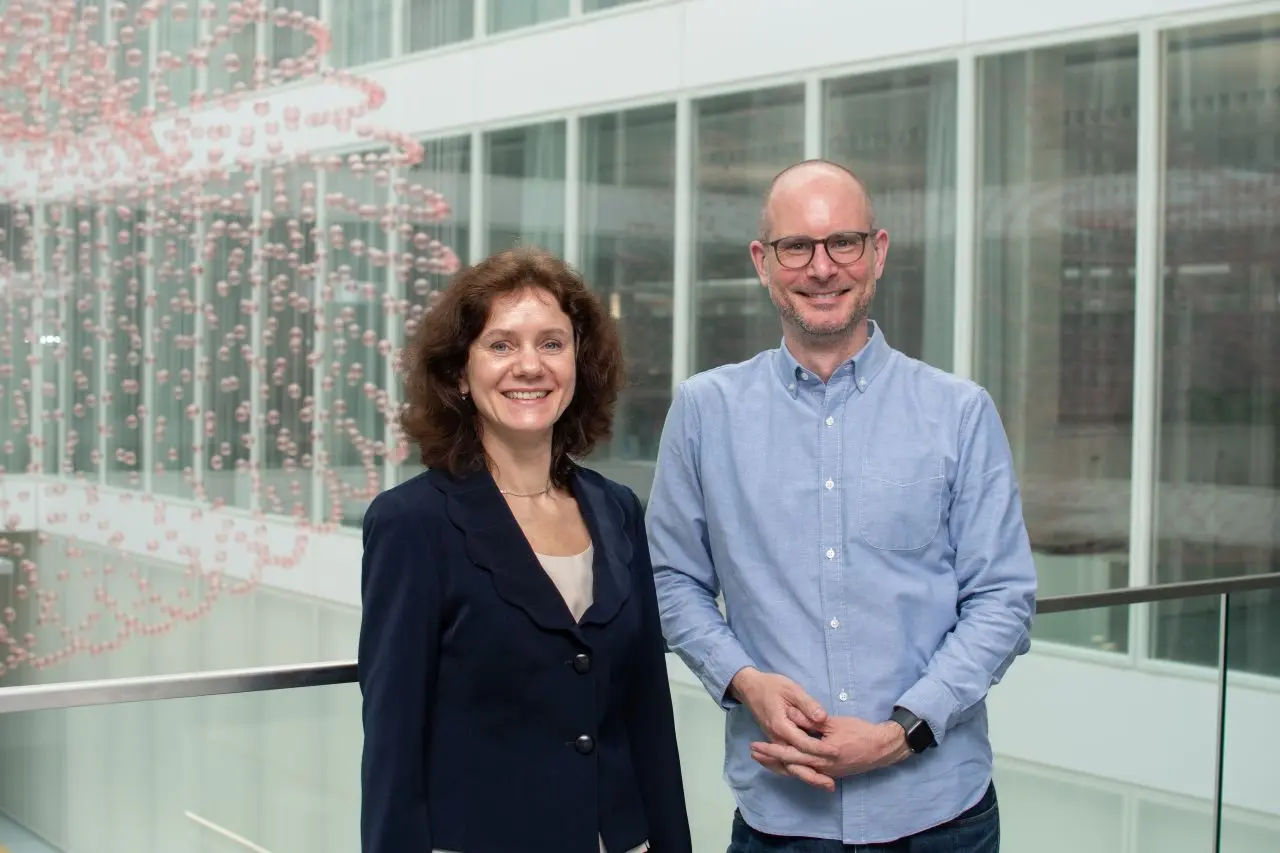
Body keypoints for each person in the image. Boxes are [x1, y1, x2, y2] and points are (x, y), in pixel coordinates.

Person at [646, 159, 1037, 852]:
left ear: (877, 252)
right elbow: (671, 579)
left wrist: (903, 731)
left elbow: (1003, 597)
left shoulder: (958, 412)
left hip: (943, 818)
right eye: (797, 246)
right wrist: (743, 682)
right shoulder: (705, 411)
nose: (821, 268)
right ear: (764, 262)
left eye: (843, 243)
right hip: (780, 820)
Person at [358, 246, 693, 853]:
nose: (529, 366)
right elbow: (392, 742)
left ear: (578, 364)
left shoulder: (618, 510)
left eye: (551, 343)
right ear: (460, 372)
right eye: (501, 344)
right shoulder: (412, 525)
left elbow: (648, 714)